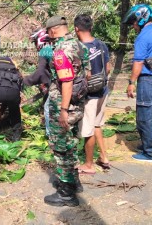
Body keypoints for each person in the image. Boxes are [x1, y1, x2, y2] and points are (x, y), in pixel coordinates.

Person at [43, 15, 90, 208]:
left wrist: (63, 109)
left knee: (61, 147)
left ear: (53, 31)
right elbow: (86, 74)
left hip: (64, 106)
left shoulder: (61, 51)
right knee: (71, 143)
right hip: (78, 104)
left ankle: (66, 193)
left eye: (49, 34)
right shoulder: (80, 46)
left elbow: (67, 81)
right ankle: (74, 182)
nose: (50, 38)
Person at [123, 4, 152, 163]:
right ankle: (149, 144)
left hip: (149, 82)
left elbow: (138, 63)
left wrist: (131, 82)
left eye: (134, 23)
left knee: (144, 117)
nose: (133, 26)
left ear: (141, 20)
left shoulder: (143, 36)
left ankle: (150, 153)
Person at [74, 14, 111, 174]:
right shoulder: (101, 44)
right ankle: (103, 157)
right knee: (97, 124)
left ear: (76, 29)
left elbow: (81, 74)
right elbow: (108, 68)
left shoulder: (79, 48)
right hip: (103, 90)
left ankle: (88, 165)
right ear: (91, 27)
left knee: (87, 131)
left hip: (90, 95)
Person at [23, 28, 52, 135]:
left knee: (48, 109)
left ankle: (51, 137)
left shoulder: (45, 50)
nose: (35, 45)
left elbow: (40, 73)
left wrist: (25, 81)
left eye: (35, 42)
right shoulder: (54, 47)